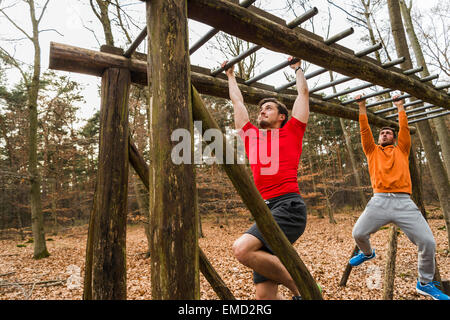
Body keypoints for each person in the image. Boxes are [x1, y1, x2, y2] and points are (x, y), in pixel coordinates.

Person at [223, 57, 309, 300]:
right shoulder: (251, 136)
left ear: (282, 116)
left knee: (241, 249)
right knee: (264, 296)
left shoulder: (293, 131)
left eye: (268, 108)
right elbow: (237, 101)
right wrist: (230, 75)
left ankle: (303, 287)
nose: (262, 110)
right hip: (265, 210)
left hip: (288, 207)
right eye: (261, 109)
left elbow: (302, 96)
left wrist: (298, 70)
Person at [350, 94, 449, 300]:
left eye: (388, 133)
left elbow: (404, 130)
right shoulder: (372, 150)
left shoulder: (402, 149)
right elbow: (364, 130)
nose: (385, 134)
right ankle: (368, 253)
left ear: (394, 138)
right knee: (358, 233)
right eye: (382, 133)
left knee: (428, 242)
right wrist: (361, 106)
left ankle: (425, 283)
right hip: (379, 201)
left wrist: (400, 107)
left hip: (404, 202)